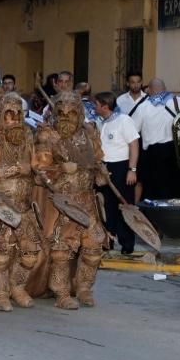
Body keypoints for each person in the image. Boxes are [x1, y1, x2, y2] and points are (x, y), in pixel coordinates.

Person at [36, 90, 108, 308]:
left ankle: (84, 287)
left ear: (80, 114)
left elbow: (97, 160)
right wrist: (59, 169)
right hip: (62, 202)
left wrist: (101, 172)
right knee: (61, 250)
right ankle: (62, 293)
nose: (66, 116)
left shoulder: (89, 133)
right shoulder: (47, 136)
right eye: (61, 113)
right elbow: (39, 170)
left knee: (94, 246)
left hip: (86, 199)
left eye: (71, 112)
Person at [0, 93, 43, 309]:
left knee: (30, 253)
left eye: (19, 114)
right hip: (1, 208)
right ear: (0, 115)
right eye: (9, 113)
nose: (15, 118)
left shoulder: (27, 136)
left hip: (24, 206)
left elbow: (35, 165)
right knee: (0, 255)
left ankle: (17, 287)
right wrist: (17, 169)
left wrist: (41, 171)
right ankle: (0, 295)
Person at [132, 78, 180, 200]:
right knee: (177, 187)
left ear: (149, 90)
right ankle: (176, 215)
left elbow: (133, 130)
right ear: (165, 89)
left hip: (153, 154)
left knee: (153, 190)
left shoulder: (143, 106)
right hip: (177, 151)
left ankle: (155, 217)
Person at [94, 92, 140, 254]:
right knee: (106, 207)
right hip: (103, 168)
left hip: (121, 168)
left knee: (124, 206)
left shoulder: (124, 121)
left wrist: (132, 170)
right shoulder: (99, 122)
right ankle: (108, 240)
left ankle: (127, 244)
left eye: (97, 105)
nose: (94, 107)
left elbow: (134, 145)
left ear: (105, 106)